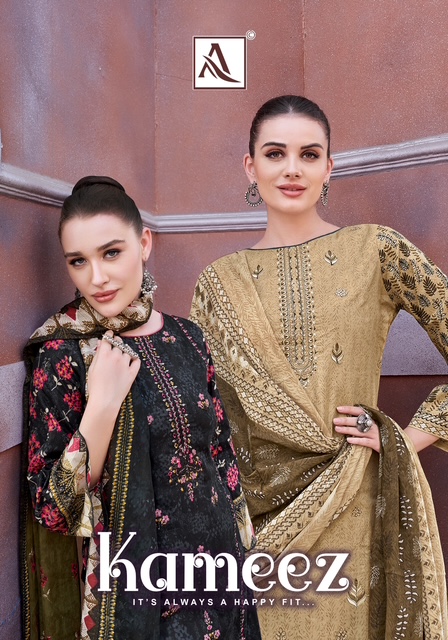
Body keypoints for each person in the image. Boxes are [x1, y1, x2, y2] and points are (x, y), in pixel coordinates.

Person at [190, 95, 448, 639]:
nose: (292, 169)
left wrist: (404, 439)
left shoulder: (377, 249)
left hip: (359, 505)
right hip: (256, 529)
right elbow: (208, 419)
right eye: (275, 153)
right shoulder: (218, 284)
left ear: (329, 167)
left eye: (309, 155)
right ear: (250, 166)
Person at [20, 176, 262, 640]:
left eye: (111, 253)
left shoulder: (189, 337)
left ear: (144, 243)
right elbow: (53, 508)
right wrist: (102, 405)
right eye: (78, 261)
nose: (96, 277)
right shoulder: (64, 353)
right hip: (140, 596)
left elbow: (222, 459)